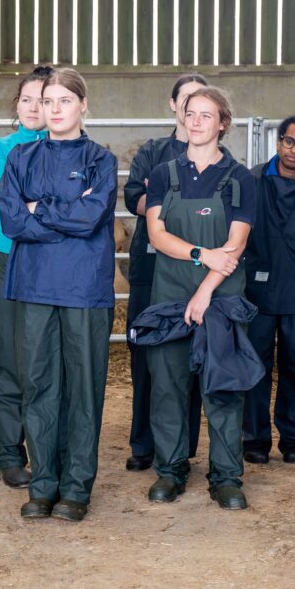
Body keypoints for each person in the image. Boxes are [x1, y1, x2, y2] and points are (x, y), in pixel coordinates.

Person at [0, 67, 118, 522]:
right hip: (34, 285)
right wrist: (59, 220)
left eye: (65, 100)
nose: (55, 109)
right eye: (47, 102)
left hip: (84, 288)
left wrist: (40, 210)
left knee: (83, 385)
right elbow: (12, 219)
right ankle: (43, 483)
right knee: (39, 383)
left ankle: (76, 487)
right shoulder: (20, 158)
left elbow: (90, 217)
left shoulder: (100, 161)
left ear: (83, 105)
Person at [143, 87, 257, 509]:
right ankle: (170, 470)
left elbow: (236, 244)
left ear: (222, 123)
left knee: (223, 387)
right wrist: (198, 254)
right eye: (191, 113)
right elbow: (156, 235)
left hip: (221, 297)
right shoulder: (163, 174)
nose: (196, 121)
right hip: (169, 294)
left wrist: (205, 290)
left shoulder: (240, 178)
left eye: (206, 115)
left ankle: (226, 477)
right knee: (168, 386)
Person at [123, 74, 208, 472]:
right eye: (185, 100)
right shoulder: (153, 150)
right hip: (150, 266)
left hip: (190, 270)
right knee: (144, 352)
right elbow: (131, 197)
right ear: (173, 105)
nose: (192, 109)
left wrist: (160, 206)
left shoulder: (213, 158)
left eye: (200, 102)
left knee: (186, 356)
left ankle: (181, 448)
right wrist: (177, 212)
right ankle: (143, 444)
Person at [0, 65, 52, 489]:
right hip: (7, 260)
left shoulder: (65, 148)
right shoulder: (1, 147)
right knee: (8, 359)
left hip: (50, 265)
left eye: (41, 100)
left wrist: (33, 203)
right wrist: (47, 206)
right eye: (25, 99)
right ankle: (9, 454)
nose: (32, 107)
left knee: (44, 361)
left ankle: (47, 449)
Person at [242, 116, 295, 465]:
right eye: (289, 141)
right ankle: (254, 439)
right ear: (278, 142)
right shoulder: (253, 179)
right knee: (255, 363)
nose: (294, 150)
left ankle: (293, 438)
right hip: (257, 284)